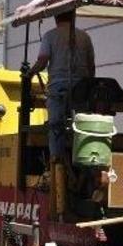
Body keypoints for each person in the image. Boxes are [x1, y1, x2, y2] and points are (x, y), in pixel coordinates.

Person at [25, 10, 95, 159]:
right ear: (73, 16)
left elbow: (42, 62)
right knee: (82, 124)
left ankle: (57, 159)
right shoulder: (85, 37)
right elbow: (91, 66)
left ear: (56, 17)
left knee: (56, 126)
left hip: (58, 88)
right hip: (81, 88)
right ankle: (83, 156)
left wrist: (29, 74)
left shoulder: (50, 36)